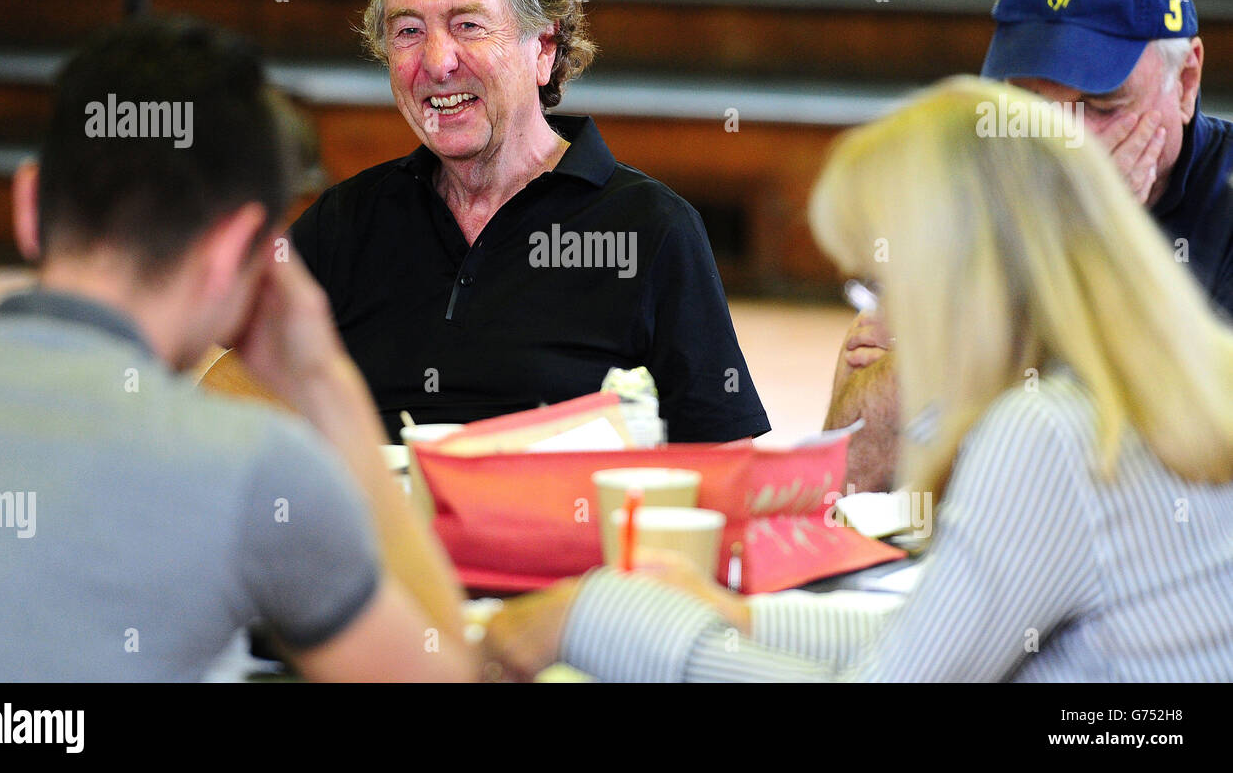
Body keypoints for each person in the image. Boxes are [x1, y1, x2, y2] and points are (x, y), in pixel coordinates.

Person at [481, 78, 1233, 682]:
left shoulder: (1054, 435)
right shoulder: (1165, 389)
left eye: (879, 284)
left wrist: (594, 617)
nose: (874, 319)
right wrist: (743, 618)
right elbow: (935, 632)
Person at [0, 16, 474, 682]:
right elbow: (444, 672)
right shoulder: (256, 468)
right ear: (232, 250)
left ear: (27, 204)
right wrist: (325, 385)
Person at [288, 0, 769, 444]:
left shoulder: (652, 229)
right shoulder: (344, 222)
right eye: (408, 32)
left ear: (543, 48)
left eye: (468, 25)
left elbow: (723, 462)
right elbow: (223, 361)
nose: (438, 62)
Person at [827, 0, 1233, 492]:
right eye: (1032, 107)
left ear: (1186, 81)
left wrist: (1084, 240)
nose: (1067, 143)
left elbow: (1174, 468)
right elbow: (851, 467)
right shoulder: (978, 180)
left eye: (1102, 104)